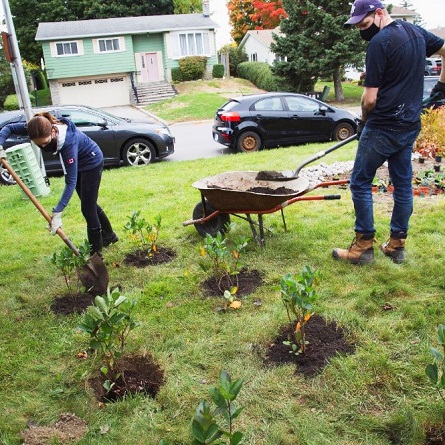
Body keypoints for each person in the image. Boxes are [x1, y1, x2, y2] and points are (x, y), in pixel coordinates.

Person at [333, 0, 445, 264]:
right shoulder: (417, 33)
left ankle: (362, 248)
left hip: (383, 126)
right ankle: (396, 246)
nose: (362, 30)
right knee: (403, 184)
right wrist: (442, 86)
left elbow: (369, 99)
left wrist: (363, 122)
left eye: (365, 24)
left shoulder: (379, 43)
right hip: (408, 125)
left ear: (380, 13)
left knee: (360, 181)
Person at [0, 112, 118, 257]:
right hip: (79, 162)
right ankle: (110, 235)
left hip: (91, 163)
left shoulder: (68, 142)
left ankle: (96, 253)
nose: (43, 146)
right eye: (39, 144)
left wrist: (58, 212)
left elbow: (70, 182)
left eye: (45, 142)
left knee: (88, 208)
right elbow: (9, 128)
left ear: (53, 131)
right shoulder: (37, 127)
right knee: (89, 203)